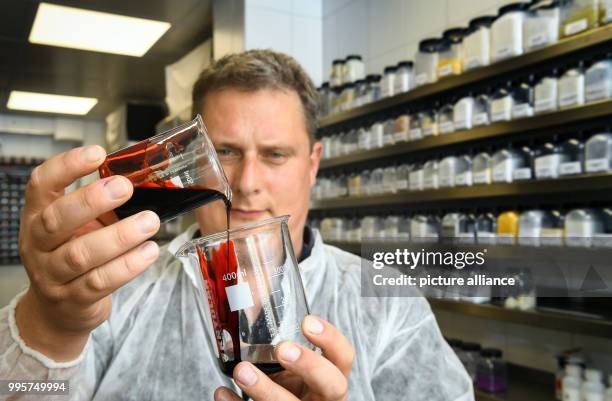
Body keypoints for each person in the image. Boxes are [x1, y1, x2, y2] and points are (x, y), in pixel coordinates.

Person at [0, 49, 473, 401]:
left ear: (312, 164)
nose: (245, 184)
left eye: (275, 154)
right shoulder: (114, 288)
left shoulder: (388, 304)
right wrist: (52, 327)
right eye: (223, 152)